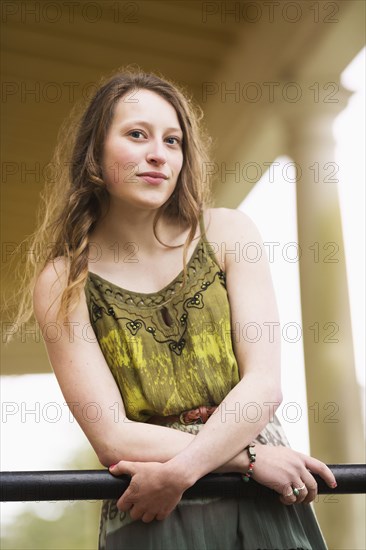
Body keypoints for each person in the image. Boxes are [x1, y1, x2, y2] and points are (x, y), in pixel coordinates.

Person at [17, 68, 336, 549]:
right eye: (136, 135)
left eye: (173, 141)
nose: (157, 154)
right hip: (155, 503)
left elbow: (264, 385)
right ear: (95, 156)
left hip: (245, 493)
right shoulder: (64, 280)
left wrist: (185, 470)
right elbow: (112, 435)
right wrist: (251, 459)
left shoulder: (228, 233)